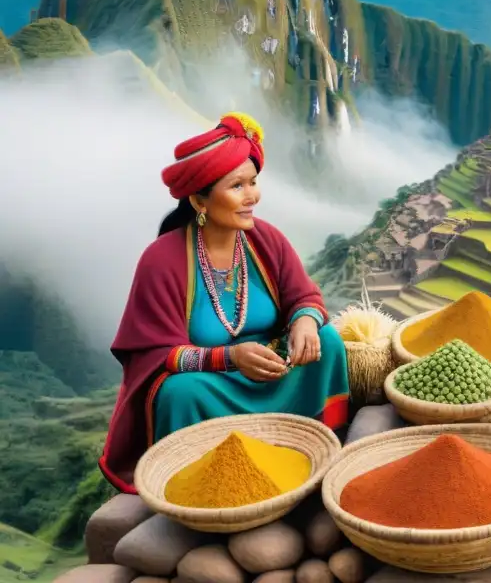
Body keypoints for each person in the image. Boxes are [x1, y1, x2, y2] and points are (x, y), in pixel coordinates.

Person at [99, 112, 350, 493]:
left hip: (271, 369)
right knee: (177, 393)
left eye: (253, 182)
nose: (253, 196)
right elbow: (156, 353)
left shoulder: (266, 239)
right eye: (237, 186)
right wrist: (230, 358)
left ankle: (324, 439)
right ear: (200, 199)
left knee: (328, 342)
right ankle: (202, 483)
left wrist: (304, 322)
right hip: (214, 383)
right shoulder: (162, 260)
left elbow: (304, 295)